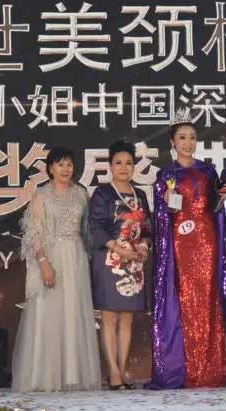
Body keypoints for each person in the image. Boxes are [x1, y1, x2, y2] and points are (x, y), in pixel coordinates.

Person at [149, 108, 226, 389]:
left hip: (206, 243)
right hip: (180, 246)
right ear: (172, 142)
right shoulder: (165, 175)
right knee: (182, 301)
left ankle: (208, 370)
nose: (188, 142)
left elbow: (216, 209)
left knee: (206, 302)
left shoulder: (208, 171)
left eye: (192, 137)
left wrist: (222, 197)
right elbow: (162, 218)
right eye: (182, 137)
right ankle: (182, 369)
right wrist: (167, 202)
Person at [11, 147, 101, 392]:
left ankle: (72, 375)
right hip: (51, 257)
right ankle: (45, 377)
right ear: (50, 168)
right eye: (60, 164)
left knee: (74, 313)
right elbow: (33, 233)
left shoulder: (81, 194)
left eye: (69, 164)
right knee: (48, 314)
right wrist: (43, 264)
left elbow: (89, 230)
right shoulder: (41, 195)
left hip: (77, 257)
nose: (66, 169)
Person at [89, 140, 152, 390]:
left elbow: (148, 228)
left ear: (134, 167)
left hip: (134, 263)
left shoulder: (140, 195)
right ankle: (113, 372)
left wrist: (144, 247)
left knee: (127, 318)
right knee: (109, 317)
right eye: (118, 163)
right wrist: (118, 249)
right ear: (110, 166)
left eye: (128, 163)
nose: (124, 167)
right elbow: (95, 227)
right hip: (110, 260)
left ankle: (122, 370)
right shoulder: (102, 193)